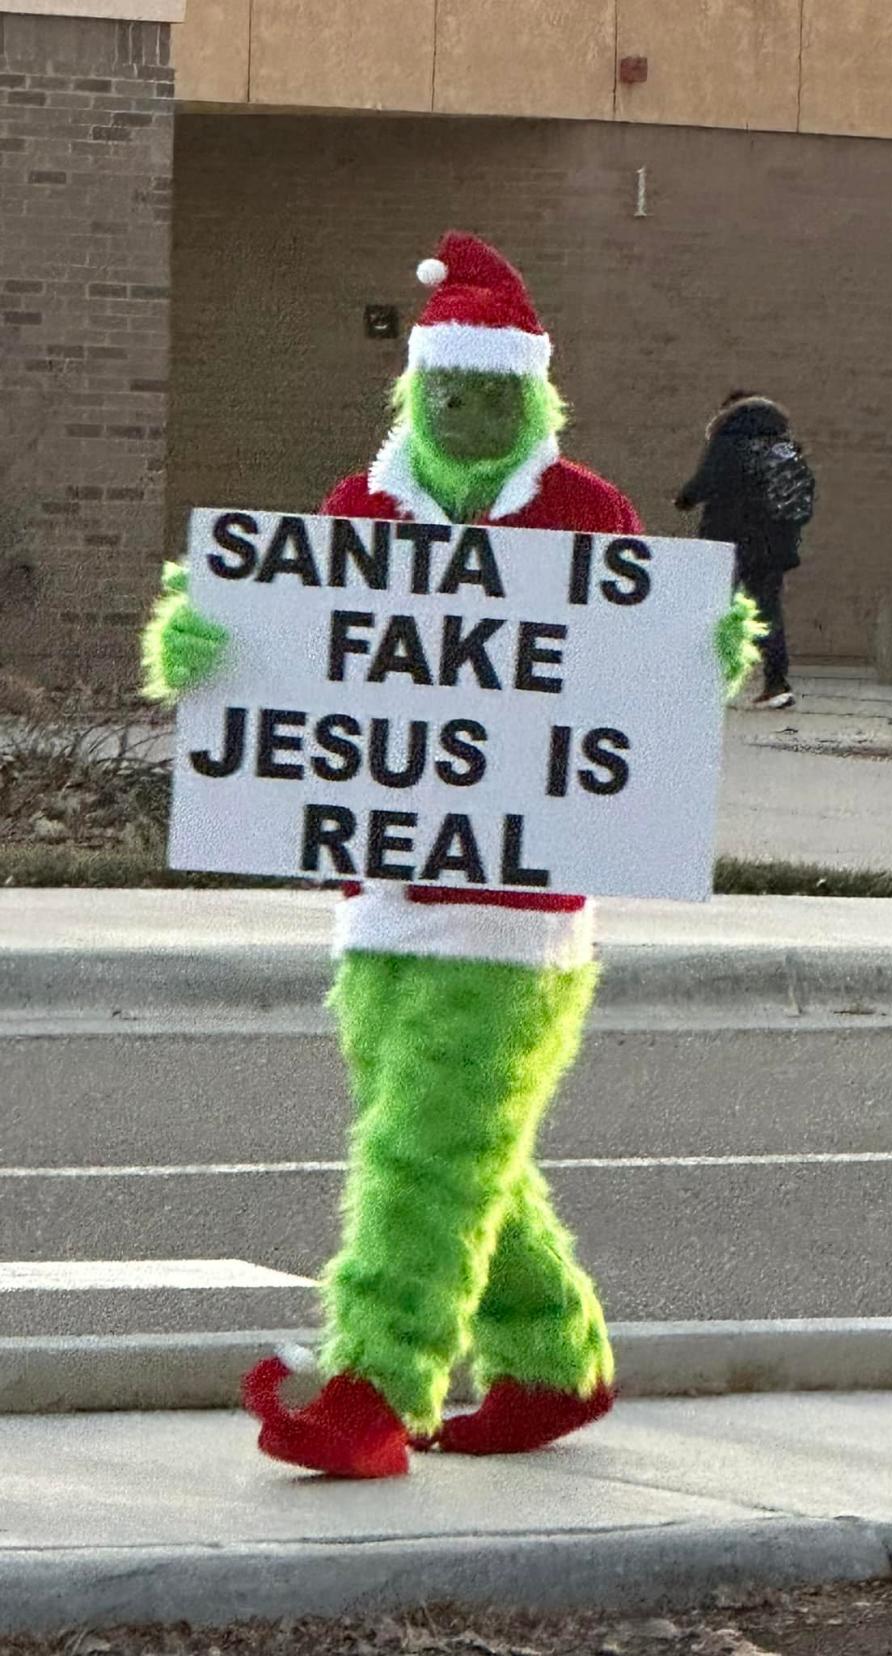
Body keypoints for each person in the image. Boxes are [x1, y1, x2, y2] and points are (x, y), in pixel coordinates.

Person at [141, 231, 762, 1479]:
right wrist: (203, 650)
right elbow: (297, 666)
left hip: (519, 919)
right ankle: (553, 1360)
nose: (469, 412)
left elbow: (646, 674)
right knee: (460, 1147)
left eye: (493, 393)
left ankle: (376, 1388)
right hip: (375, 903)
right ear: (414, 391)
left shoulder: (587, 512)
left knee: (419, 1152)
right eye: (447, 391)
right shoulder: (359, 513)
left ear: (533, 397)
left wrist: (712, 653)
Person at [675, 391, 815, 711]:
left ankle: (705, 682)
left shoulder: (729, 444)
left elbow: (705, 483)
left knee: (712, 608)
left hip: (728, 541)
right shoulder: (786, 448)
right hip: (774, 546)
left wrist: (684, 499)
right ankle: (776, 683)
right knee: (767, 612)